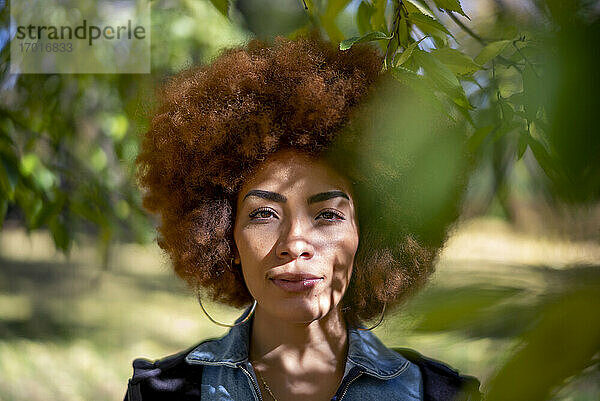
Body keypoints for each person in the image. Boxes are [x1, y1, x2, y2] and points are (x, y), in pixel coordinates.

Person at [124, 32, 481, 401]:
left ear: (368, 235)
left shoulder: (443, 396)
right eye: (264, 214)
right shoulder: (159, 394)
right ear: (225, 236)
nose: (295, 243)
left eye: (327, 214)